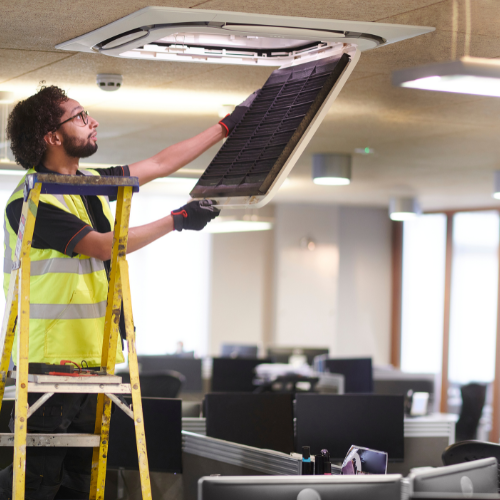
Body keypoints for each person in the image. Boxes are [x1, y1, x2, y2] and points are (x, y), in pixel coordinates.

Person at [0, 84, 253, 500]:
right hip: (46, 365)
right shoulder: (31, 201)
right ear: (53, 136)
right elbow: (101, 245)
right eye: (80, 116)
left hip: (93, 363)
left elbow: (158, 162)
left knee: (81, 483)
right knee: (37, 485)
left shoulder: (88, 185)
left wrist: (225, 127)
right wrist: (175, 221)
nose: (92, 121)